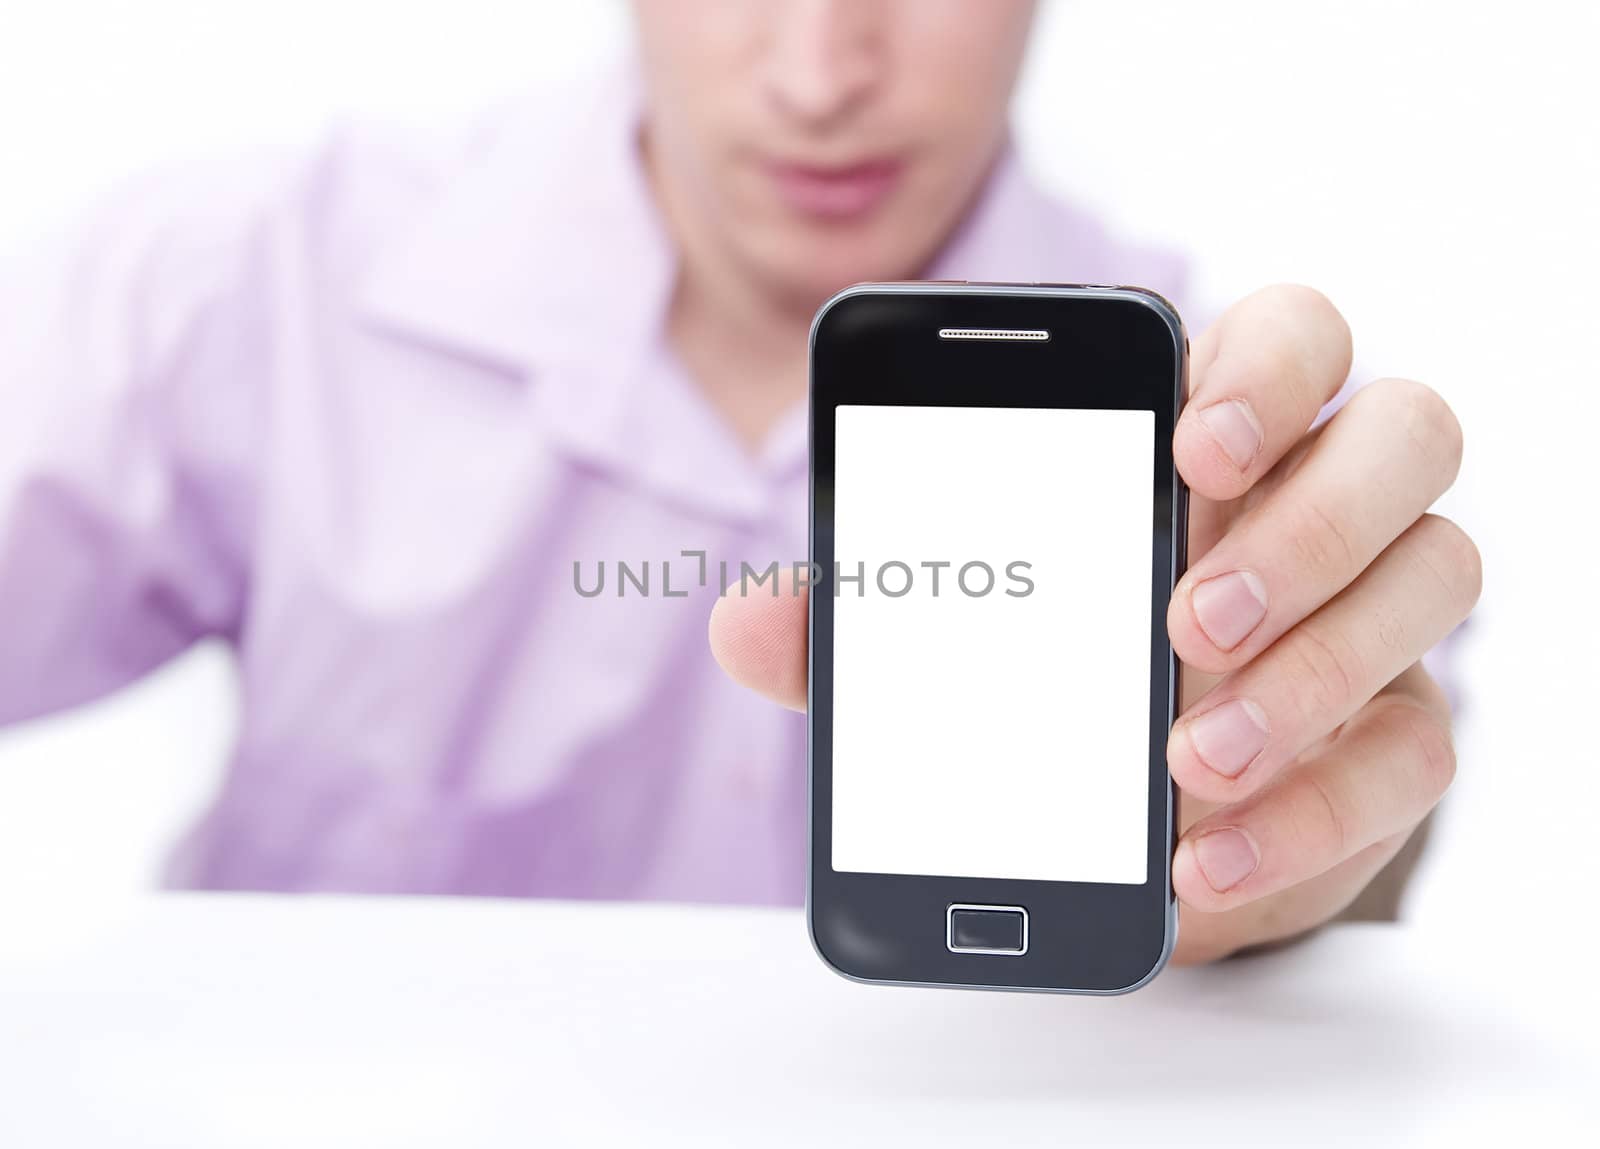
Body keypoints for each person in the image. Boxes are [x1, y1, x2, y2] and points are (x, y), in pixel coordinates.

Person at [0, 0, 1476, 965]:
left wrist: (1290, 852)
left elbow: (1352, 853)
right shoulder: (243, 282)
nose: (821, 74)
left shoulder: (1227, 441)